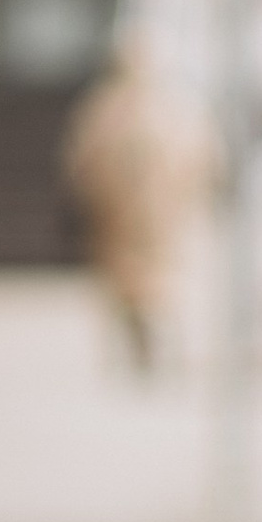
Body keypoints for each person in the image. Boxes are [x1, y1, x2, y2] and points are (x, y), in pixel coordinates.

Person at [63, 31, 215, 372]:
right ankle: (149, 350)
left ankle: (149, 349)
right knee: (150, 286)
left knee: (144, 286)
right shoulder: (172, 109)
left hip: (139, 218)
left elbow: (80, 162)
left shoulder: (108, 108)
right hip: (140, 218)